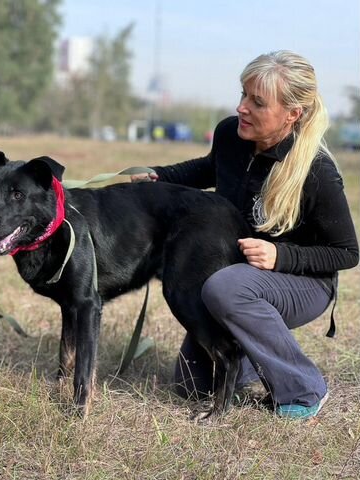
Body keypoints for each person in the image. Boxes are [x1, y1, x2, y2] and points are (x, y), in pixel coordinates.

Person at [132, 50, 359, 419]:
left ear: (292, 114)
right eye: (243, 95)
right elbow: (209, 169)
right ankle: (258, 347)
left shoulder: (317, 171)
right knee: (192, 386)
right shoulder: (231, 135)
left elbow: (347, 253)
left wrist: (281, 256)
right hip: (241, 273)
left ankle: (304, 389)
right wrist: (159, 175)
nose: (242, 108)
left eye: (257, 102)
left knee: (225, 288)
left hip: (303, 282)